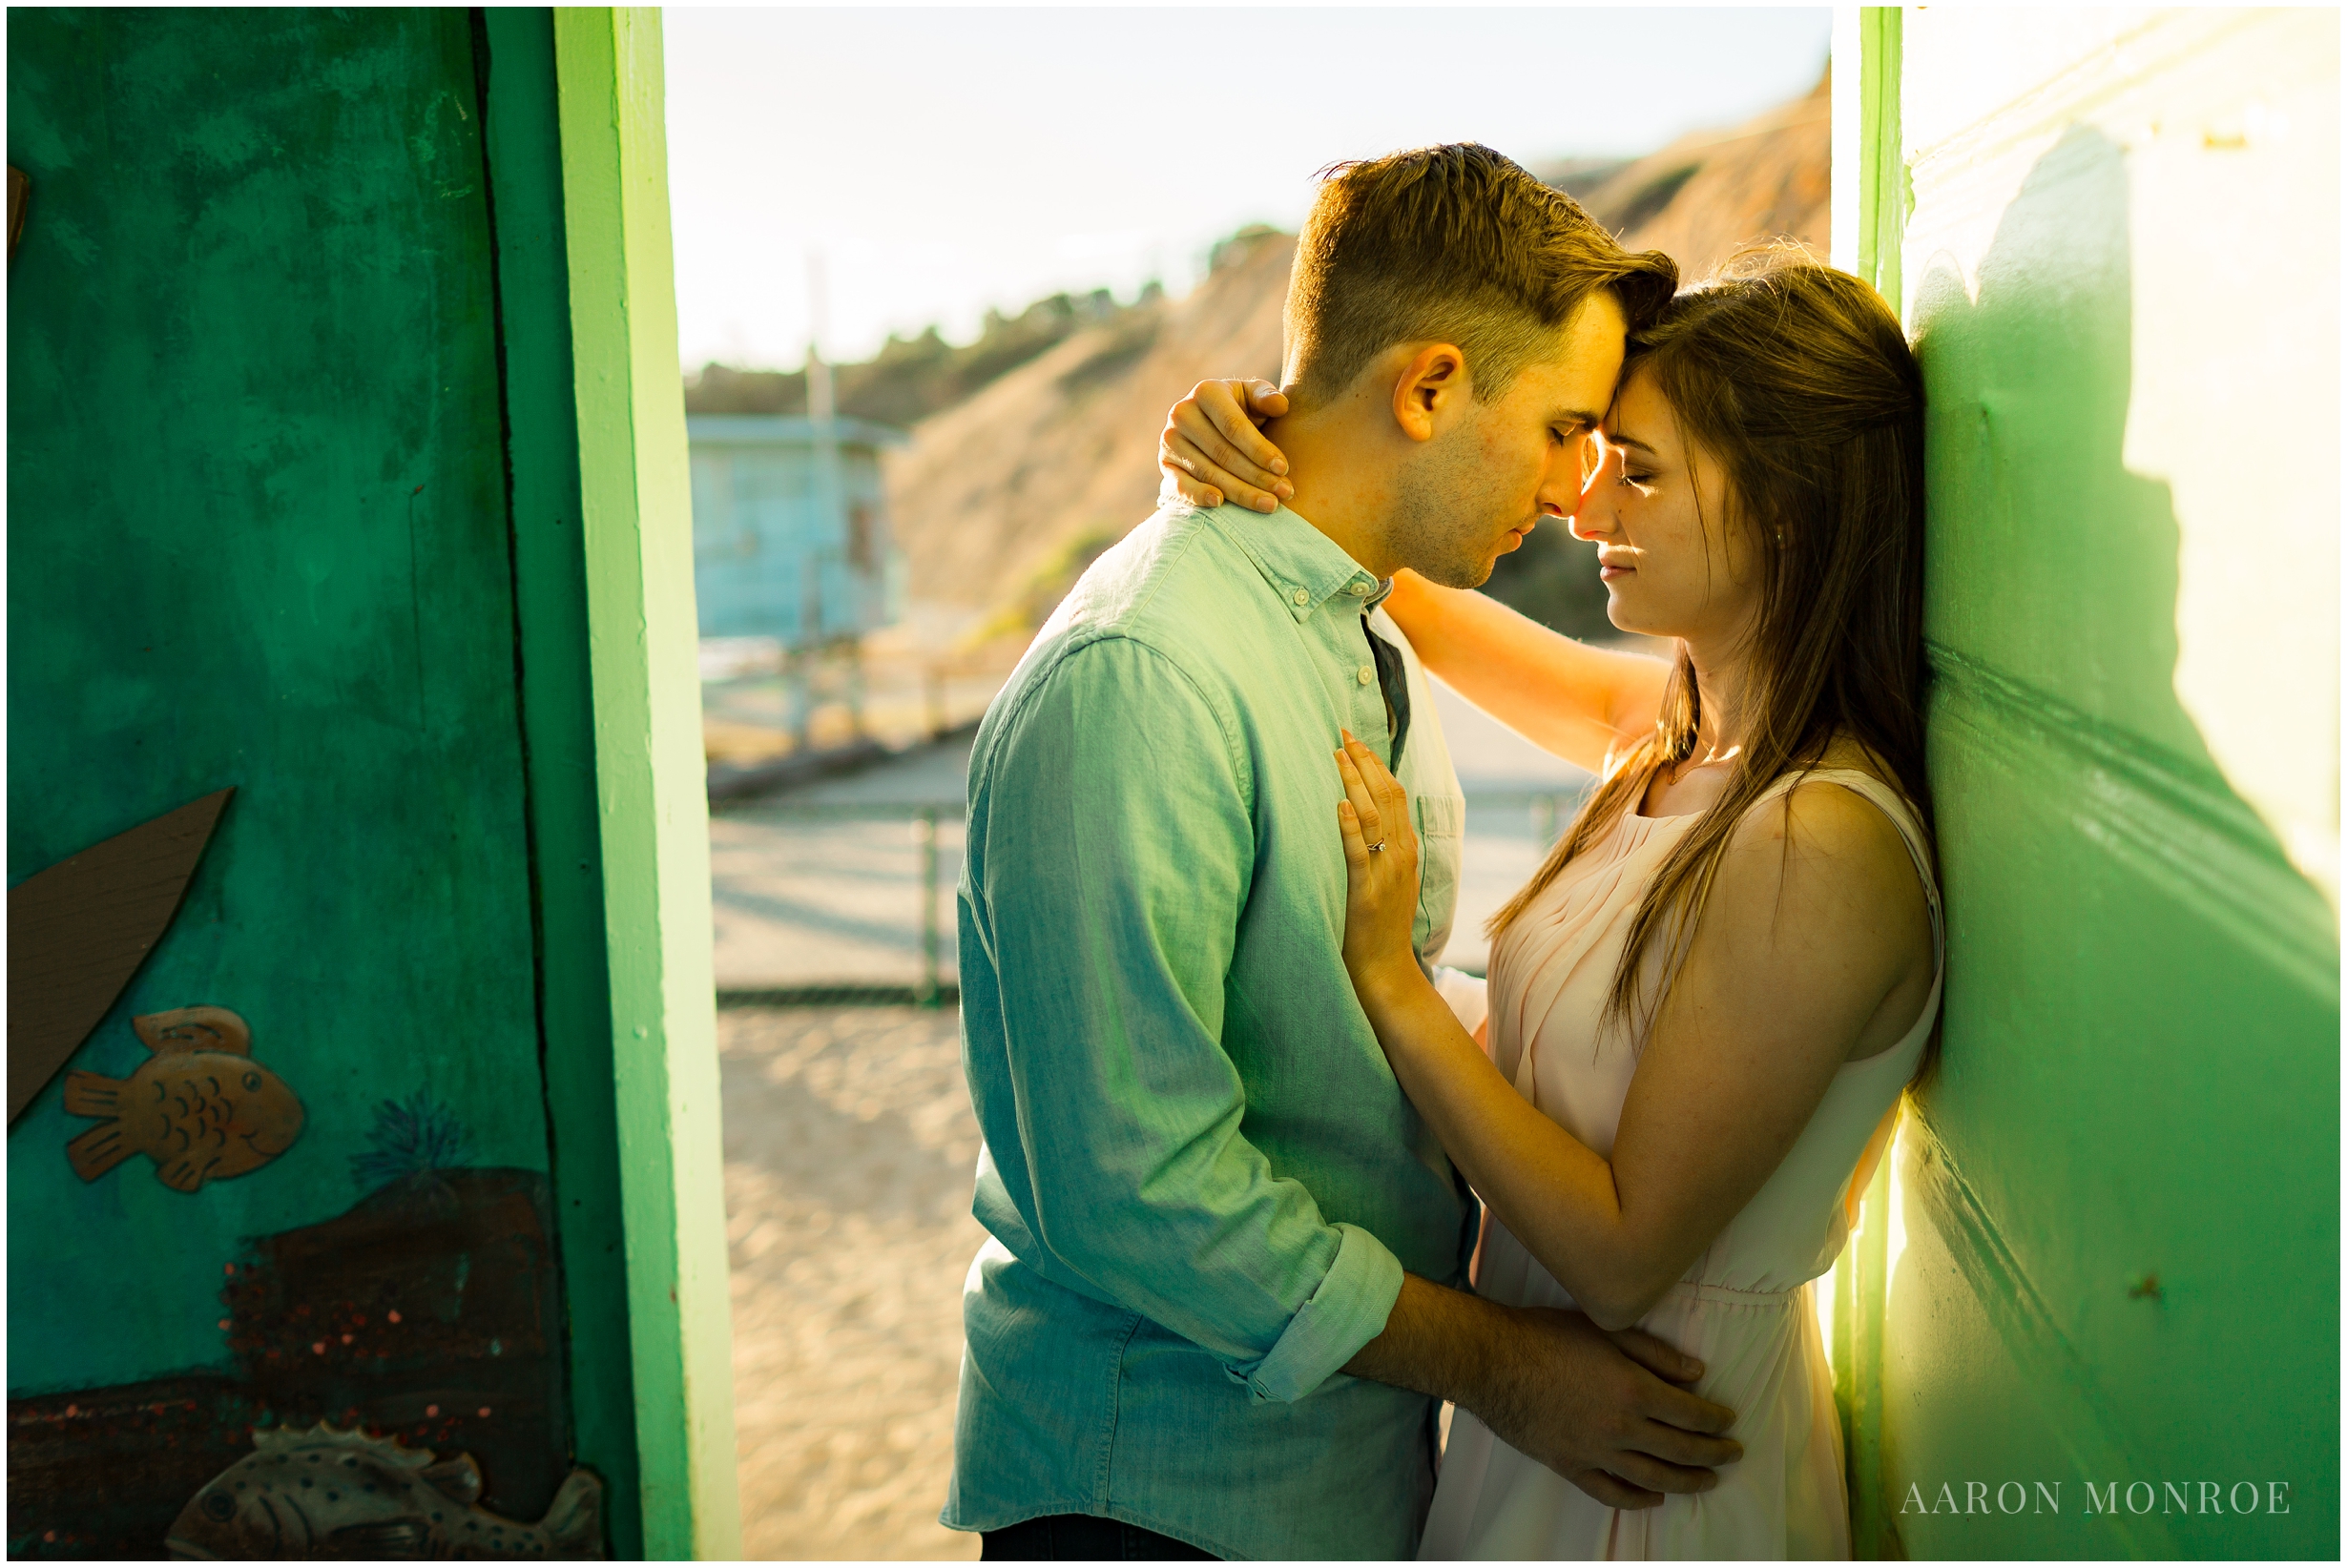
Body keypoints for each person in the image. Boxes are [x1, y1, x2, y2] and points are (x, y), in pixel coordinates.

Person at [945, 145, 1746, 1563]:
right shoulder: (1144, 676)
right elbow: (1137, 1189)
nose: (1578, 492)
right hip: (1157, 1500)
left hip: (1339, 1475)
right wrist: (1505, 1365)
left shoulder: (1358, 611)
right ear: (1431, 386)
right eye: (1566, 428)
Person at [1157, 248, 1937, 1558]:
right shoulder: (1679, 735)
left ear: (1789, 508)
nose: (1586, 506)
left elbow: (1624, 1253)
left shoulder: (1819, 840)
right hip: (1553, 1439)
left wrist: (1392, 982)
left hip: (1661, 1462)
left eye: (1638, 469)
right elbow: (1414, 593)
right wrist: (1258, 455)